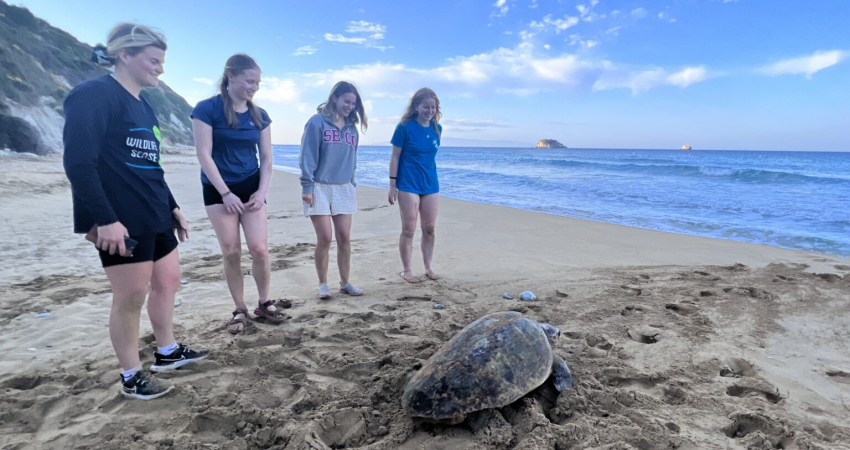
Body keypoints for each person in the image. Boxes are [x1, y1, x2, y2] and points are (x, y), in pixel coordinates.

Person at [63, 23, 208, 400]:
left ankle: (167, 351)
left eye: (162, 62)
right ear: (124, 55)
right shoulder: (93, 95)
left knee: (168, 281)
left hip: (155, 210)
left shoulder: (145, 105)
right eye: (154, 60)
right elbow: (79, 163)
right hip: (121, 216)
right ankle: (131, 375)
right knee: (130, 297)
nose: (160, 69)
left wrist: (173, 206)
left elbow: (150, 165)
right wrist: (103, 219)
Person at [191, 54, 285, 334]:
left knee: (259, 248)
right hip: (217, 187)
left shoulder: (260, 115)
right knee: (231, 251)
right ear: (230, 76)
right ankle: (239, 309)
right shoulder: (206, 109)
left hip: (251, 186)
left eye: (257, 82)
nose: (254, 86)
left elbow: (267, 158)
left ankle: (265, 302)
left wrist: (261, 191)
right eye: (249, 80)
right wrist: (225, 193)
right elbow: (203, 154)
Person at [299, 81, 368, 299]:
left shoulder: (352, 129)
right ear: (335, 98)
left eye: (353, 103)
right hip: (318, 186)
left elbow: (353, 159)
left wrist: (352, 183)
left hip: (343, 187)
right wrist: (307, 185)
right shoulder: (317, 122)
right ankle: (322, 284)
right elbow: (307, 155)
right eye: (346, 101)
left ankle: (345, 283)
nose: (350, 106)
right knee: (325, 237)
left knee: (344, 236)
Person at [388, 88, 443, 283]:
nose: (429, 110)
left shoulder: (437, 128)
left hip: (430, 184)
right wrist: (392, 185)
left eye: (433, 107)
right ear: (416, 107)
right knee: (409, 229)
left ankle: (428, 267)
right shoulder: (404, 127)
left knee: (429, 228)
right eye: (426, 107)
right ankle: (408, 270)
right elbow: (395, 156)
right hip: (408, 183)